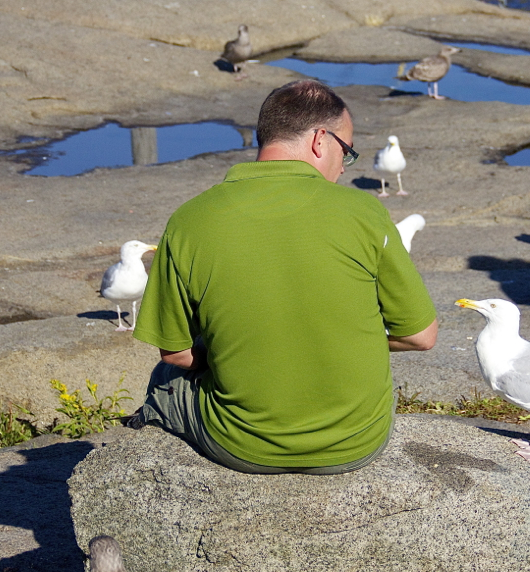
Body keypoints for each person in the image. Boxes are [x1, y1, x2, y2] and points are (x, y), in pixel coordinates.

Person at [130, 80, 438, 474]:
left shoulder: (189, 221)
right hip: (356, 443)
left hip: (238, 445)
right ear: (320, 141)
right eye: (347, 151)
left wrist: (238, 350)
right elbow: (421, 336)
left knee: (164, 378)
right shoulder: (365, 212)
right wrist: (339, 337)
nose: (345, 166)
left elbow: (174, 353)